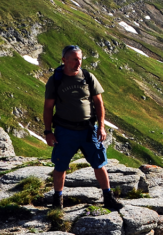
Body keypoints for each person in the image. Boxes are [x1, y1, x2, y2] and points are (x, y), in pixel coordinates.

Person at [43, 45, 124, 210]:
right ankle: (57, 201)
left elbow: (99, 103)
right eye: (74, 59)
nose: (78, 62)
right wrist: (48, 132)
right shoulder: (55, 80)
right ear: (64, 60)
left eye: (80, 59)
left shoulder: (87, 77)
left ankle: (108, 197)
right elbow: (48, 107)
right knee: (60, 165)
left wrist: (101, 127)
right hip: (65, 131)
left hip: (88, 129)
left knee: (99, 163)